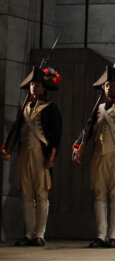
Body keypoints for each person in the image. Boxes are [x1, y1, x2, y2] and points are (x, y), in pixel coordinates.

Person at [72, 61, 115, 248]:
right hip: (98, 157)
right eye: (107, 85)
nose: (109, 88)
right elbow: (87, 130)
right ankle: (100, 235)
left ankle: (113, 236)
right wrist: (77, 145)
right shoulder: (98, 110)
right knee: (100, 196)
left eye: (112, 85)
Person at [0, 67, 62, 247]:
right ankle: (28, 233)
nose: (34, 87)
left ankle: (39, 234)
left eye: (37, 84)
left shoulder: (51, 108)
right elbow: (16, 129)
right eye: (32, 84)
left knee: (41, 194)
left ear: (44, 88)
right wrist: (7, 147)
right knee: (27, 195)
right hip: (25, 155)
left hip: (40, 155)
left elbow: (56, 135)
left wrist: (51, 157)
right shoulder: (26, 107)